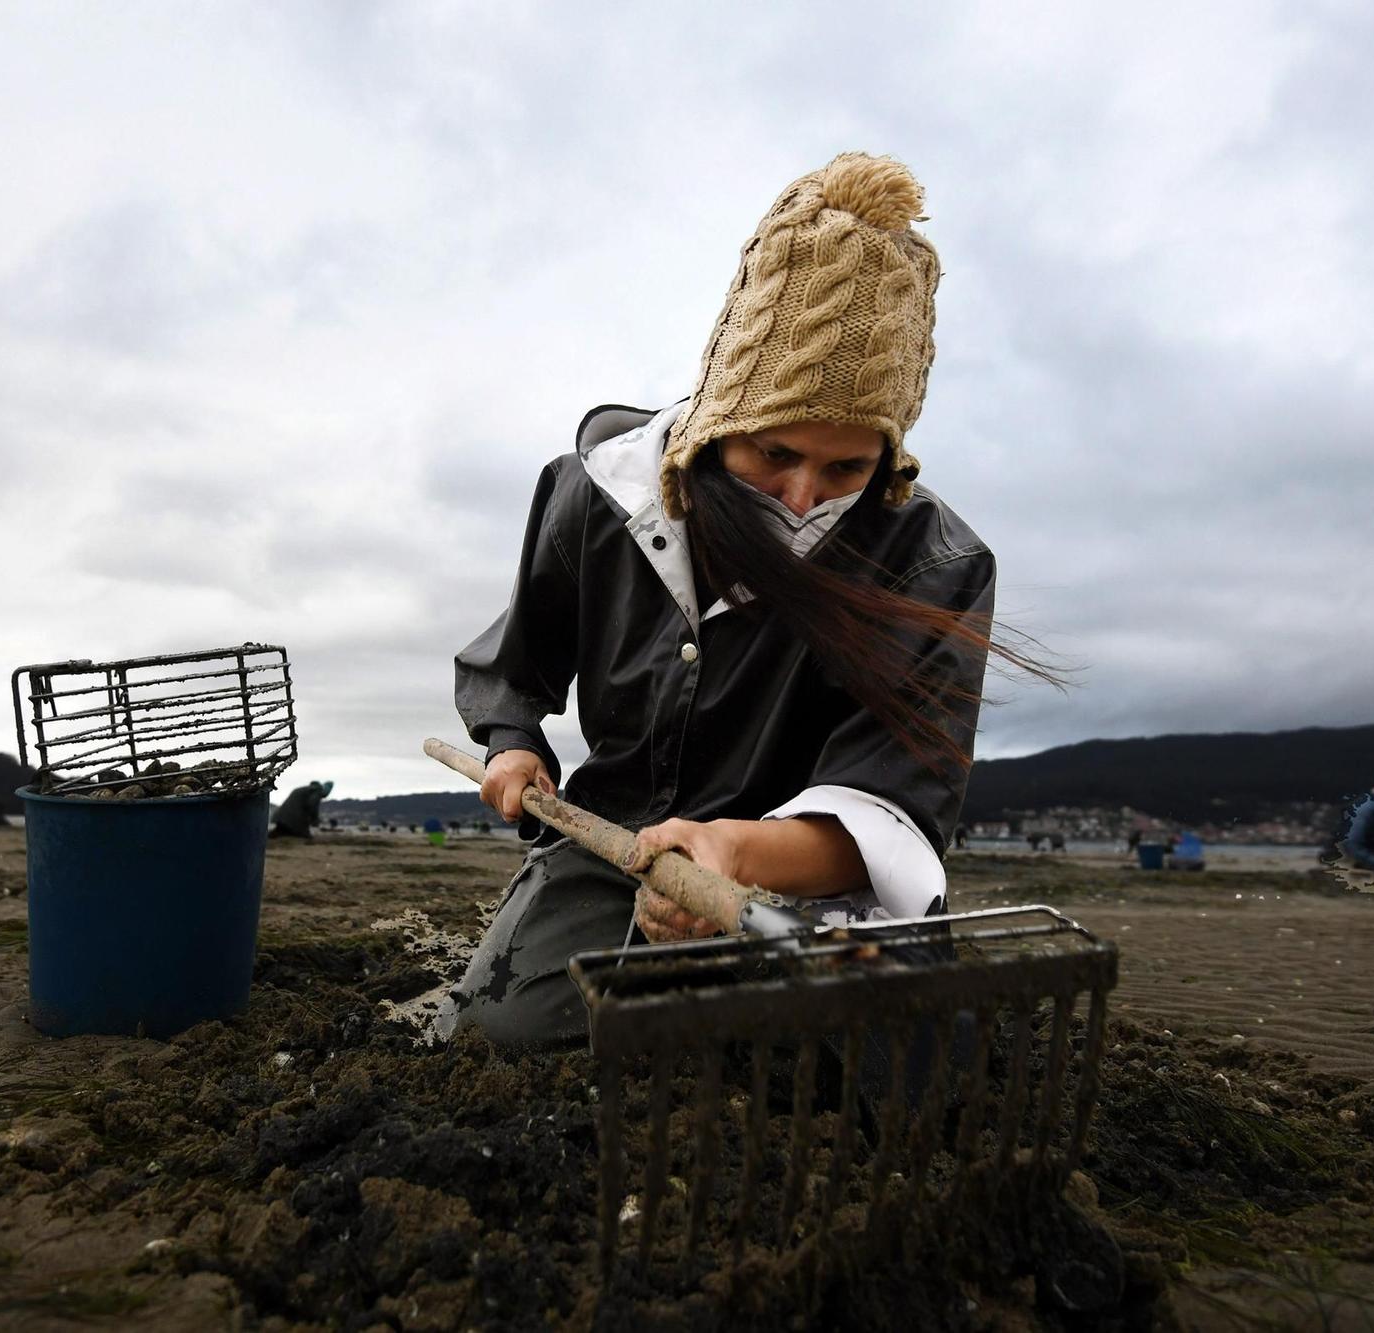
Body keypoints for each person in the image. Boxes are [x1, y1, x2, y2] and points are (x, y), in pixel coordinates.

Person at [438, 152, 1060, 1049]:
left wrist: (734, 853)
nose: (805, 498)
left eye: (846, 466)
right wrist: (513, 743)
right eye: (774, 454)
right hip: (615, 848)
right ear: (722, 420)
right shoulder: (597, 496)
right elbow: (516, 668)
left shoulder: (932, 567)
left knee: (918, 1061)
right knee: (506, 1030)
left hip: (808, 884)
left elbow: (889, 810)